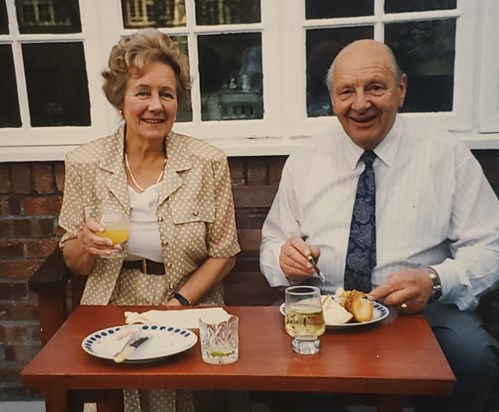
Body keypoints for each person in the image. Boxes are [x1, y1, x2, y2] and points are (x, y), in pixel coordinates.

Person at [260, 39, 499, 412]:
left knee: (474, 357)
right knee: (280, 363)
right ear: (332, 99)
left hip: (421, 313)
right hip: (327, 309)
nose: (360, 104)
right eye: (346, 92)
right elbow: (274, 241)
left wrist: (435, 280)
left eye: (374, 87)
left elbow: (491, 245)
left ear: (401, 89)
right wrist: (284, 260)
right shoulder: (305, 160)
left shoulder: (447, 155)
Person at [58, 28, 245, 412]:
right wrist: (85, 244)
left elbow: (224, 254)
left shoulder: (208, 162)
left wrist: (177, 303)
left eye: (167, 94)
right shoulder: (85, 164)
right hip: (111, 304)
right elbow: (74, 263)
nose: (155, 106)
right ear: (120, 100)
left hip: (185, 299)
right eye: (142, 92)